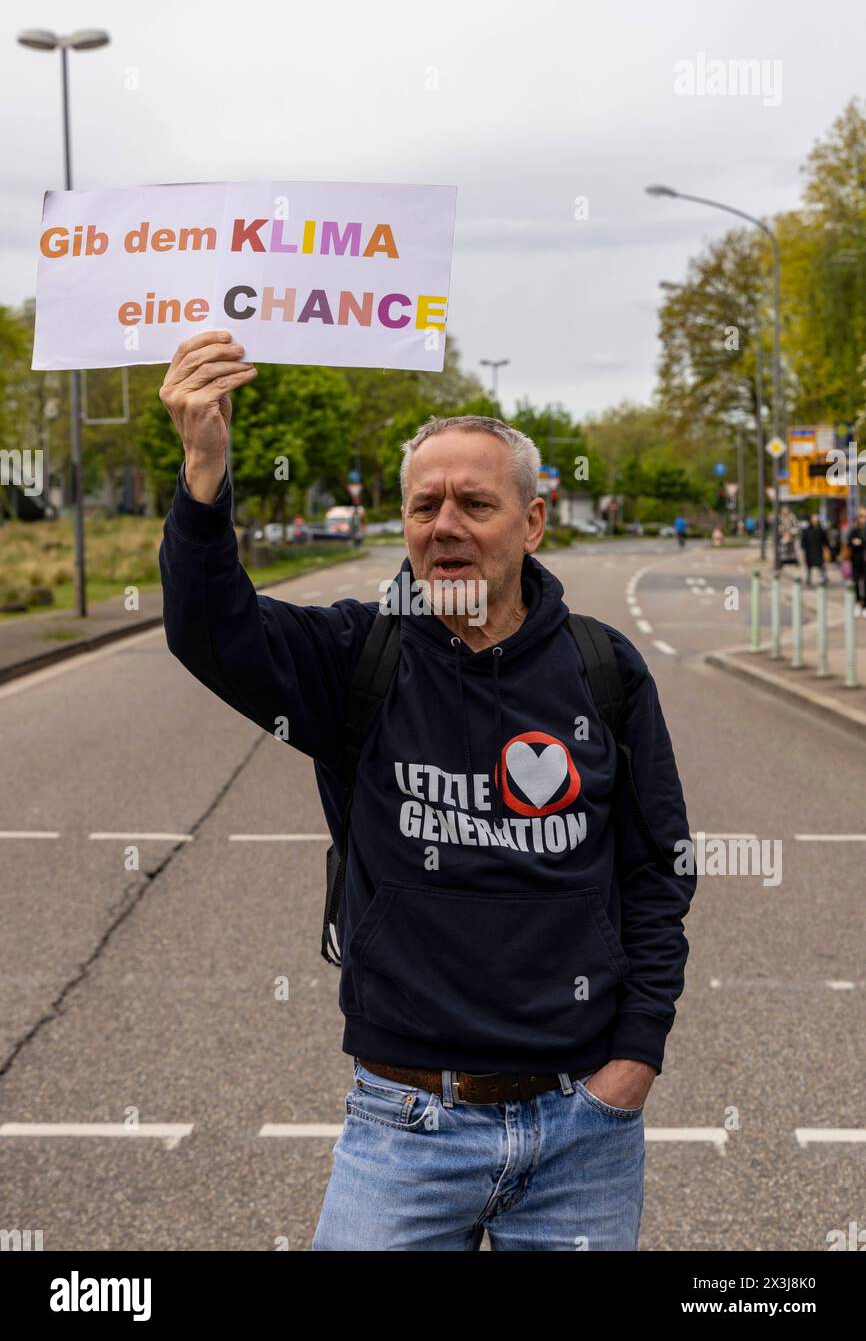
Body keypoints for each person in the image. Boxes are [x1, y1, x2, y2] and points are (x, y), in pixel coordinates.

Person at [157, 331, 695, 1252]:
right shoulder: (354, 656)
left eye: (474, 503)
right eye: (423, 504)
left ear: (531, 523)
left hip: (582, 1131)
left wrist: (635, 1059)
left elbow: (658, 871)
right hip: (405, 1124)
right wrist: (205, 471)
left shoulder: (605, 669)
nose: (443, 523)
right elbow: (212, 629)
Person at [801, 512, 829, 586]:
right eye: (814, 517)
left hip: (818, 550)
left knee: (821, 565)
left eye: (817, 518)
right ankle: (808, 579)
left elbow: (825, 540)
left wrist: (826, 548)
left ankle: (823, 578)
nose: (816, 519)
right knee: (809, 566)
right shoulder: (806, 530)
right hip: (809, 551)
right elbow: (803, 541)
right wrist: (803, 549)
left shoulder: (821, 529)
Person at [847, 507, 866, 616]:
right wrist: (853, 541)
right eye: (860, 516)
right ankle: (858, 603)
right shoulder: (854, 529)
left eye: (864, 516)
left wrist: (861, 541)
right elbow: (848, 542)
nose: (862, 519)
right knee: (856, 583)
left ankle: (865, 606)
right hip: (855, 559)